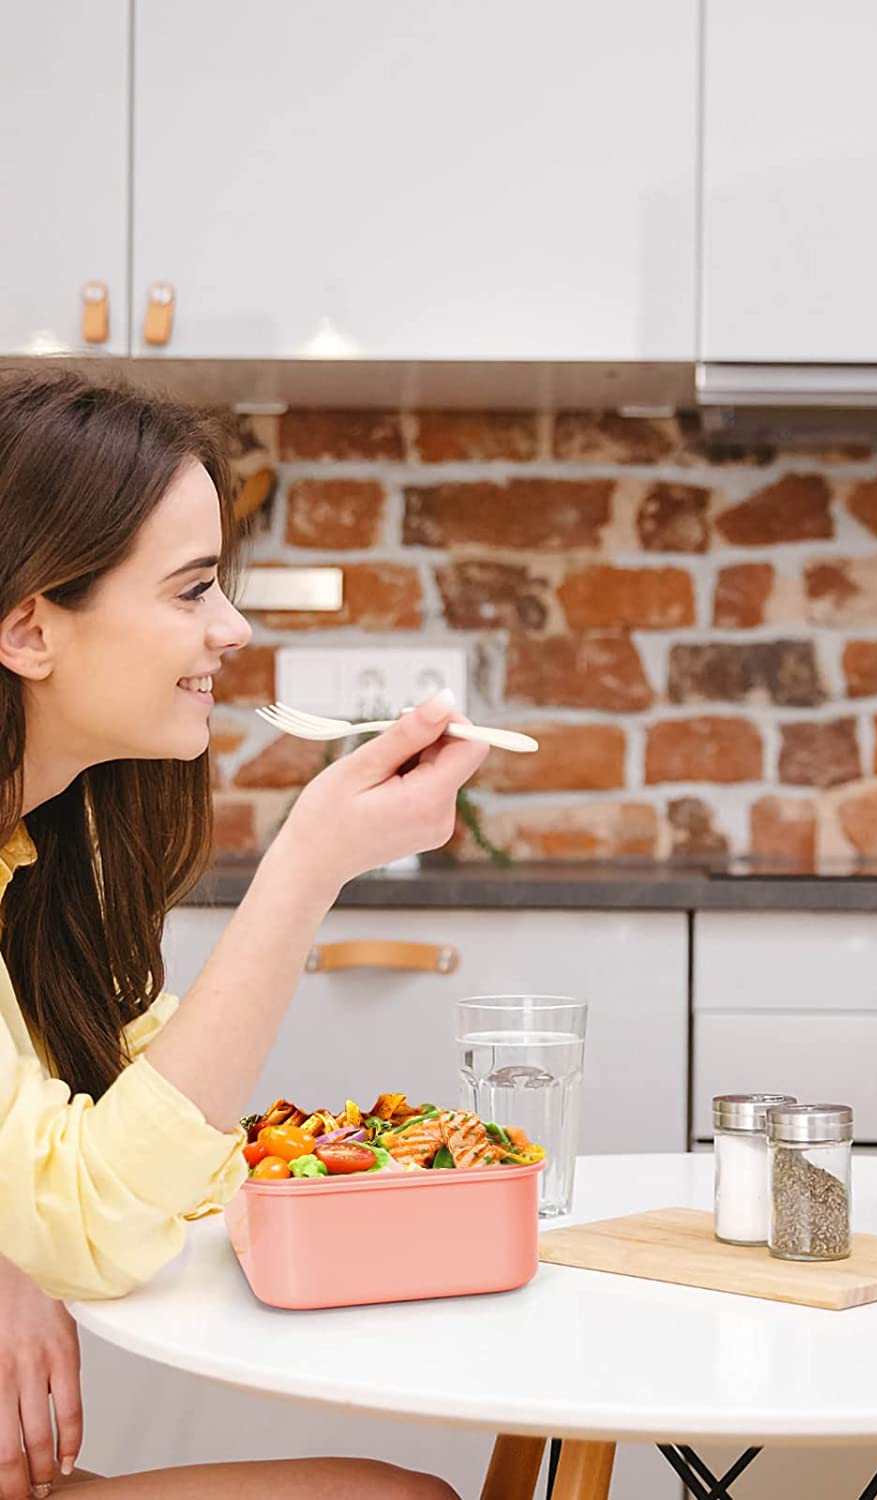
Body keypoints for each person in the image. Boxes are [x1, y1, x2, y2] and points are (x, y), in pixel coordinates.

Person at [0, 372, 482, 1499]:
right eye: (190, 591)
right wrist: (304, 871)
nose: (234, 628)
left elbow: (180, 1156)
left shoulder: (54, 860)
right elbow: (90, 1225)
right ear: (30, 628)